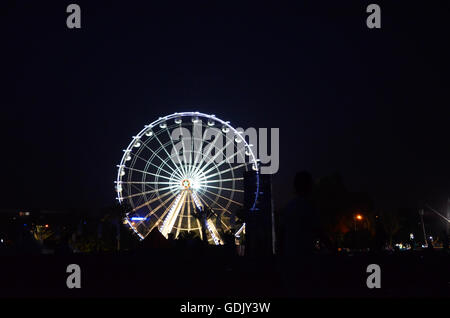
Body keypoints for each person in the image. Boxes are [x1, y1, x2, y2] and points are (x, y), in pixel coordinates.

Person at [280, 171, 320, 296]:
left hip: (290, 259)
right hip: (305, 258)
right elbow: (317, 230)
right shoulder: (308, 207)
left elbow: (281, 233)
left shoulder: (288, 208)